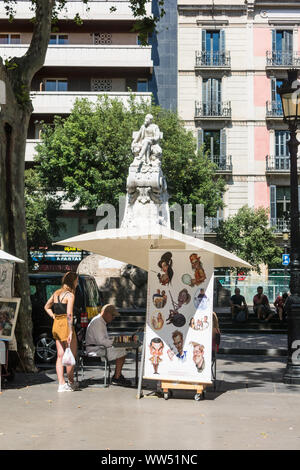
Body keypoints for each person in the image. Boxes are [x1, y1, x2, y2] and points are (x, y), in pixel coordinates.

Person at [44, 271, 78, 392]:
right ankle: (71, 382)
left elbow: (46, 306)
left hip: (56, 324)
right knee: (70, 354)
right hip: (65, 324)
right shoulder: (70, 295)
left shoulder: (56, 293)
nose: (77, 283)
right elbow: (69, 314)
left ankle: (61, 384)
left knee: (60, 355)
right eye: (77, 281)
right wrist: (70, 331)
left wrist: (53, 316)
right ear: (73, 281)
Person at [85, 304, 131, 386]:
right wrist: (116, 342)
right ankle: (117, 377)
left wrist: (114, 341)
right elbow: (102, 342)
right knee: (122, 351)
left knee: (121, 349)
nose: (113, 318)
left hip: (99, 348)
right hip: (96, 351)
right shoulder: (98, 322)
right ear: (106, 313)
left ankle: (117, 375)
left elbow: (104, 340)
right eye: (112, 315)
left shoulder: (100, 322)